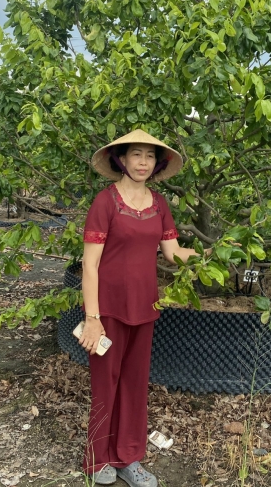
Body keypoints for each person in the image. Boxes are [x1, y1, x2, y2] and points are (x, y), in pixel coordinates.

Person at [79, 128, 197, 487]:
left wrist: (211, 256)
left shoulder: (159, 204)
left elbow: (173, 252)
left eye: (149, 156)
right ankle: (98, 459)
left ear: (156, 163)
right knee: (105, 385)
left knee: (134, 385)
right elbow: (89, 265)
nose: (143, 162)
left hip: (145, 308)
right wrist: (92, 319)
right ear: (122, 160)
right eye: (136, 154)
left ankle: (129, 457)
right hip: (108, 310)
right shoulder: (106, 202)